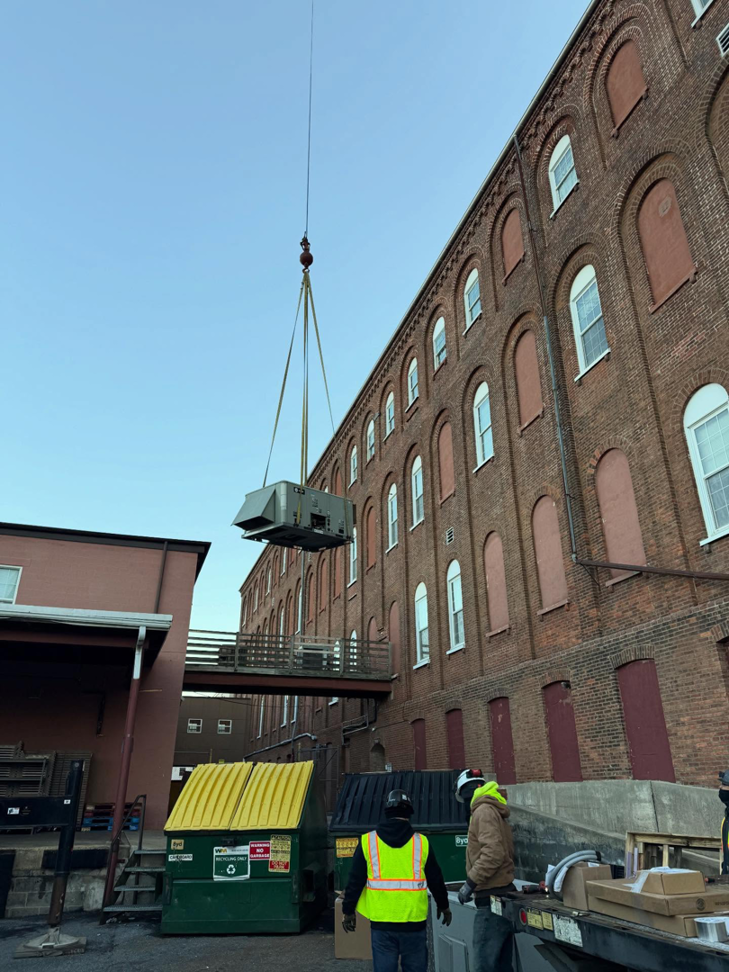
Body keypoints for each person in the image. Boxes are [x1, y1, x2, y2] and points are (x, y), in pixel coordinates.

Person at [341, 788, 452, 972]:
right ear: (409, 814)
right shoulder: (421, 842)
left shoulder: (368, 841)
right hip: (414, 923)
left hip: (382, 924)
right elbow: (435, 878)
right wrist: (443, 904)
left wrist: (348, 910)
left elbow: (355, 880)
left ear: (387, 812)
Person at [455, 771, 515, 972]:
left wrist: (470, 883)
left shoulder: (482, 811)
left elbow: (493, 853)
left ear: (465, 794)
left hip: (491, 900)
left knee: (484, 967)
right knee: (501, 966)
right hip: (500, 897)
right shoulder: (492, 809)